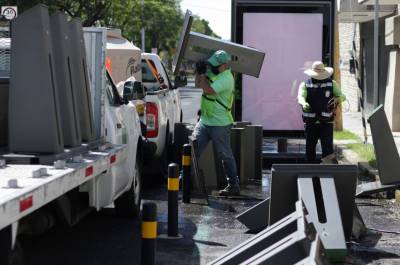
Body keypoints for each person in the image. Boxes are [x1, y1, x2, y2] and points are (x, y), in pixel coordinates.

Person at [192, 50, 240, 196]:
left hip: (220, 124)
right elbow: (197, 84)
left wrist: (202, 75)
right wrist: (199, 73)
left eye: (215, 65)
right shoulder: (214, 72)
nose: (211, 67)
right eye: (211, 63)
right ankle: (182, 178)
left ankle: (233, 185)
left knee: (225, 155)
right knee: (192, 150)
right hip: (205, 121)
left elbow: (207, 90)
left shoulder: (227, 78)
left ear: (224, 65)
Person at [297, 61, 346, 163]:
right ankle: (310, 169)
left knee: (327, 148)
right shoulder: (305, 85)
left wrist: (337, 99)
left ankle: (328, 170)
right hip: (311, 123)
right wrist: (303, 103)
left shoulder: (332, 84)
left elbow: (342, 96)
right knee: (310, 147)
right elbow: (300, 96)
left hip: (326, 122)